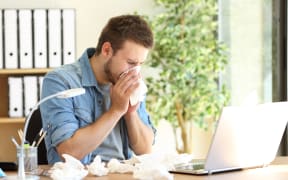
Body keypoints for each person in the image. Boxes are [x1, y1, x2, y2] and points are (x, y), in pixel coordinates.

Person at [40, 14, 156, 165]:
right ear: (107, 50)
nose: (135, 72)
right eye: (131, 62)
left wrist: (131, 113)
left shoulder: (130, 82)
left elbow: (145, 150)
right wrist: (116, 111)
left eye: (140, 64)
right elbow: (68, 153)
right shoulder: (60, 81)